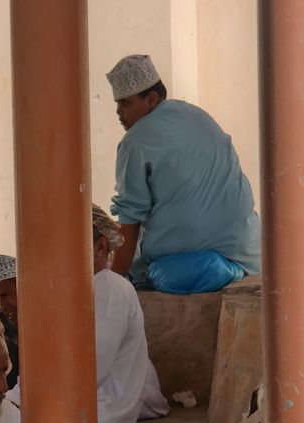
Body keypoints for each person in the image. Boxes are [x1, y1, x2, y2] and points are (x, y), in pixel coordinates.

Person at [0, 205, 168, 423]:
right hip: (81, 405)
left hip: (103, 413)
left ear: (101, 246)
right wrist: (17, 400)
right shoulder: (78, 291)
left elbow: (90, 370)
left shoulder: (111, 288)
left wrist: (27, 403)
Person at [107, 54, 260, 294]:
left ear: (151, 99)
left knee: (152, 274)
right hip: (249, 252)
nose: (119, 112)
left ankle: (226, 272)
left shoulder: (134, 142)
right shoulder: (197, 115)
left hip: (196, 265)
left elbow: (130, 220)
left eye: (125, 103)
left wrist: (112, 284)